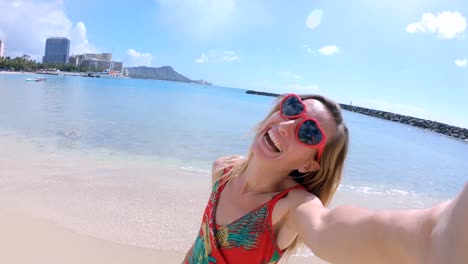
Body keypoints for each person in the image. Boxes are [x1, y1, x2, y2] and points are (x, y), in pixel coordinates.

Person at [183, 93, 467, 264]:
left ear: (310, 165)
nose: (285, 126)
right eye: (292, 109)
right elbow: (203, 243)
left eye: (308, 133)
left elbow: (333, 228)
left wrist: (435, 233)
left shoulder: (292, 208)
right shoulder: (222, 169)